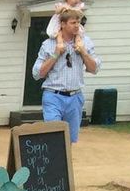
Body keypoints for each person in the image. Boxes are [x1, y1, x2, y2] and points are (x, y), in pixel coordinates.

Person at [33, 8, 100, 145]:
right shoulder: (48, 44)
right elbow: (37, 73)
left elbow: (94, 69)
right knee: (53, 135)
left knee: (69, 139)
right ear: (62, 24)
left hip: (75, 97)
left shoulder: (85, 42)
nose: (77, 25)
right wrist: (56, 54)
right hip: (53, 95)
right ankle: (53, 165)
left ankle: (64, 166)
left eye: (78, 22)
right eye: (73, 22)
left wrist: (83, 52)